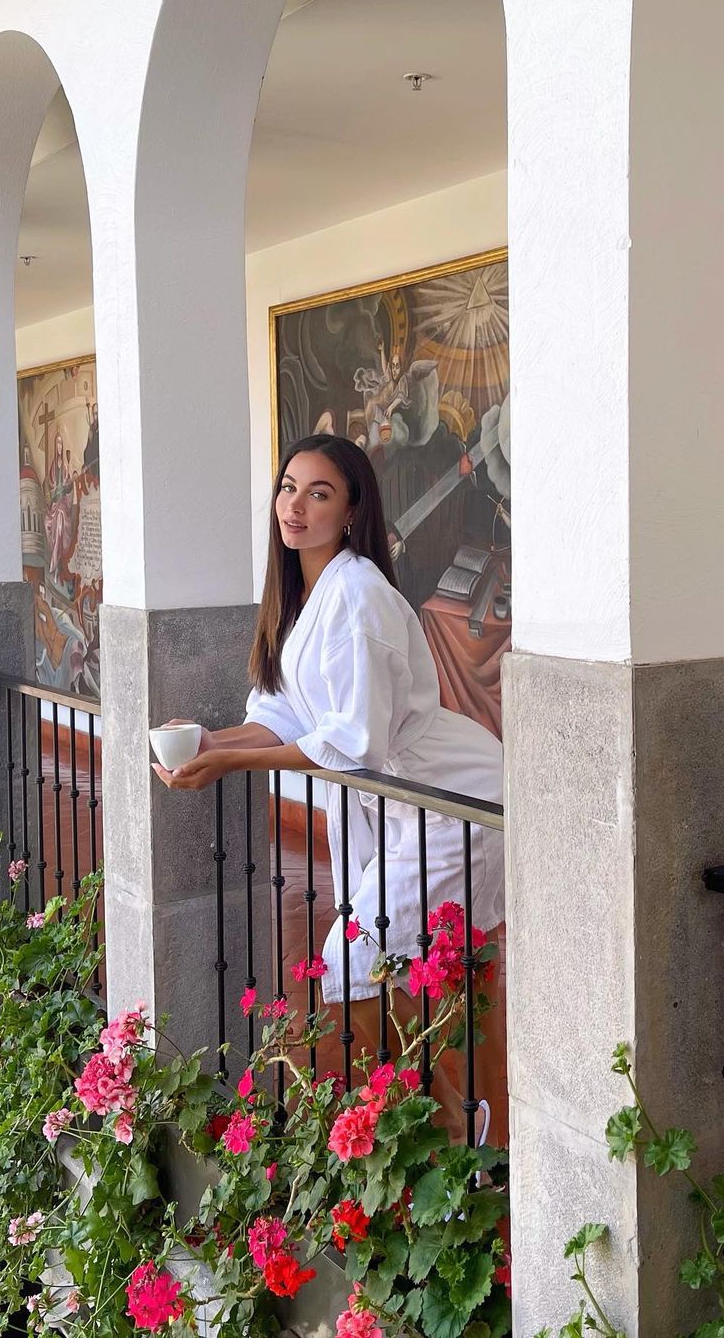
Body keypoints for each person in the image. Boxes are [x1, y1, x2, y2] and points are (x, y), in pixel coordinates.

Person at [153, 435, 506, 1139]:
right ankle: (457, 1131)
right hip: (403, 803)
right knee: (419, 966)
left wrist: (231, 764)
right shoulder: (305, 595)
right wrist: (212, 741)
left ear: (351, 511)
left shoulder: (359, 594)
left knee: (365, 958)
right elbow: (284, 714)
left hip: (453, 803)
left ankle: (456, 1128)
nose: (295, 505)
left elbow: (354, 741)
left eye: (319, 493)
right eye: (288, 488)